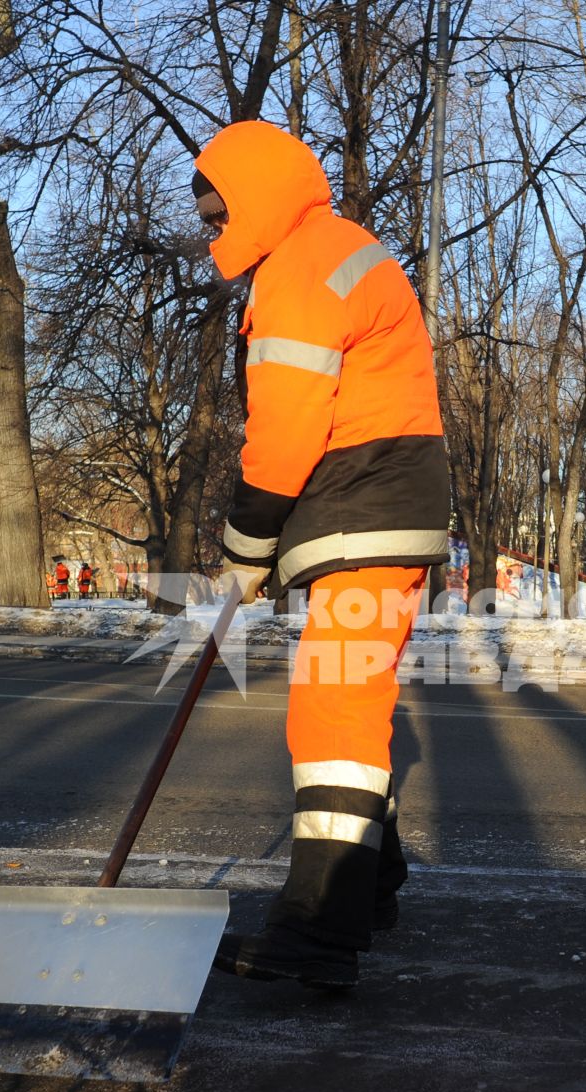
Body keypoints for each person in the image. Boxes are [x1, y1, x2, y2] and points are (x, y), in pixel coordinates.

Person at [195, 121, 451, 989]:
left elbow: (284, 432)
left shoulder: (300, 270)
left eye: (217, 210)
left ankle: (318, 931)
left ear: (257, 199)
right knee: (350, 708)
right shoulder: (332, 247)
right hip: (373, 508)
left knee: (332, 716)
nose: (209, 228)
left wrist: (244, 549)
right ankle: (371, 882)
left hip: (363, 506)